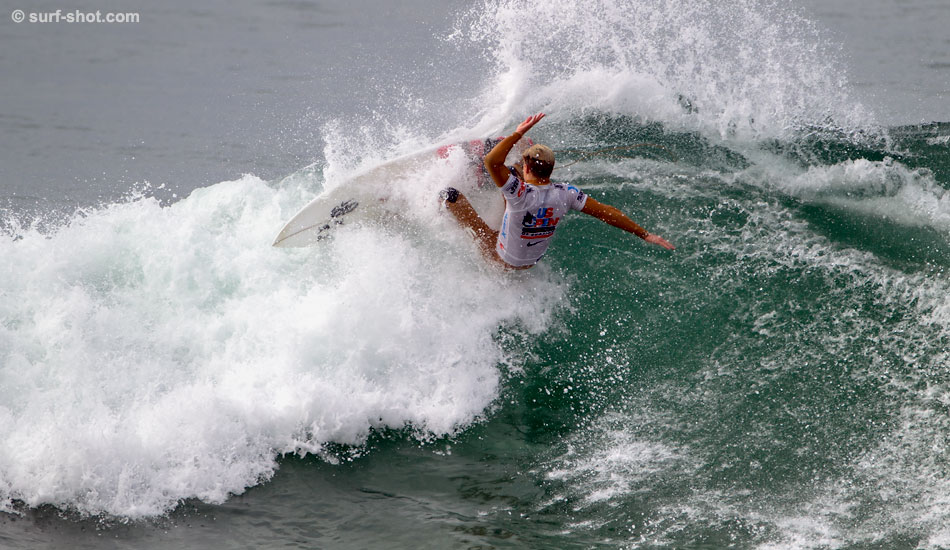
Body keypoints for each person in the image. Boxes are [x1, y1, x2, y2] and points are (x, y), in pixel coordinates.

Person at [441, 113, 674, 269]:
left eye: (524, 163)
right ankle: (492, 174)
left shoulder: (520, 194)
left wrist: (518, 133)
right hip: (528, 261)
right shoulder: (567, 193)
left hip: (501, 258)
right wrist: (645, 234)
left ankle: (464, 181)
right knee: (511, 177)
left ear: (528, 166)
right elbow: (607, 212)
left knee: (449, 195)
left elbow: (493, 161)